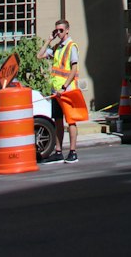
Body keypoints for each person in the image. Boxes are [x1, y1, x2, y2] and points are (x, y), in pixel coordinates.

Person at [38, 19, 80, 163]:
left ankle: (73, 152)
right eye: (57, 30)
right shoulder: (57, 47)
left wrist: (64, 87)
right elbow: (40, 55)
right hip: (56, 91)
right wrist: (48, 40)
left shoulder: (71, 46)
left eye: (61, 30)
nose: (59, 33)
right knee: (58, 121)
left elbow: (74, 69)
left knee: (71, 121)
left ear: (67, 30)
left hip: (67, 90)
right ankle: (58, 151)